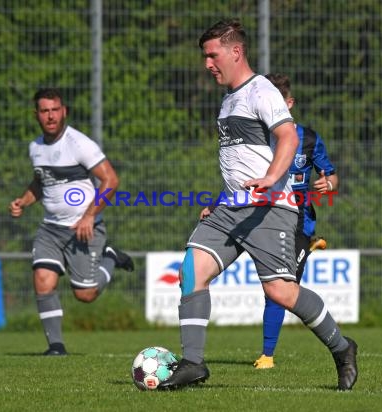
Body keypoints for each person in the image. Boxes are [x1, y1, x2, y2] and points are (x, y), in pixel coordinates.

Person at [157, 19, 357, 391]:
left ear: (236, 51)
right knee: (191, 271)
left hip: (270, 207)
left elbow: (287, 138)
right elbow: (241, 161)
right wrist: (222, 198)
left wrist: (270, 178)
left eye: (212, 55)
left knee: (280, 292)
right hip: (231, 208)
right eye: (205, 56)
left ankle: (343, 348)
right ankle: (193, 364)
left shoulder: (261, 90)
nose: (207, 64)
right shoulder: (229, 98)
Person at [8, 88, 134, 356]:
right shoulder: (36, 148)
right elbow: (42, 183)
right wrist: (23, 201)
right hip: (50, 229)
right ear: (36, 115)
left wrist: (89, 216)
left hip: (84, 229)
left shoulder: (79, 144)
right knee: (43, 280)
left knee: (85, 295)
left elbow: (111, 180)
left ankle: (110, 256)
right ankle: (56, 346)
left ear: (64, 111)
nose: (50, 116)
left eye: (55, 110)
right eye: (44, 111)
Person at [253, 73, 339, 369]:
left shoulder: (309, 138)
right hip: (261, 217)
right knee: (273, 287)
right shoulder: (257, 139)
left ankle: (267, 355)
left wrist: (328, 184)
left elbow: (331, 175)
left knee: (280, 288)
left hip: (298, 222)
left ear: (289, 103)